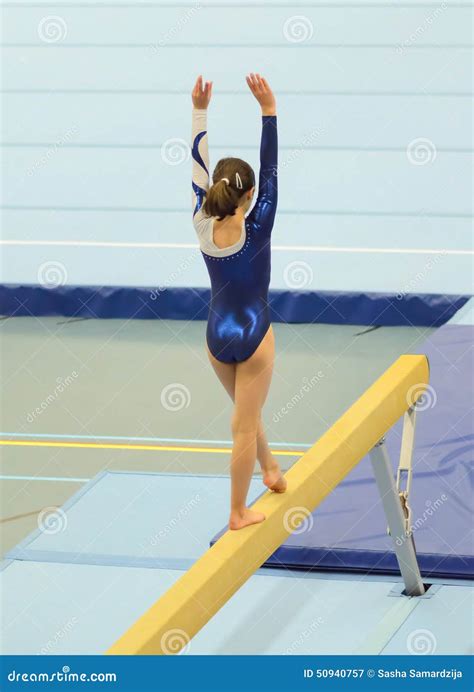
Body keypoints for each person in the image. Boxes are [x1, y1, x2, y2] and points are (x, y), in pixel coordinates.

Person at [191, 73, 286, 530]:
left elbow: (197, 163)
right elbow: (270, 171)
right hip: (254, 335)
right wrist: (267, 111)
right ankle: (237, 511)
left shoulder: (200, 221)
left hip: (215, 337)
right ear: (249, 198)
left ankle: (270, 470)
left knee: (246, 413)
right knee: (243, 427)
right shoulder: (259, 222)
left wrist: (199, 109)